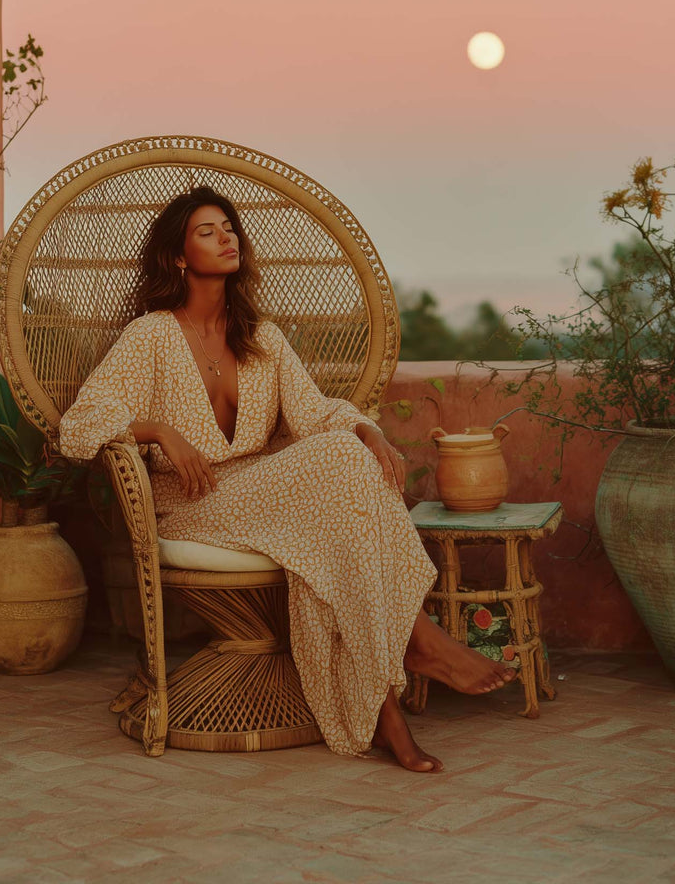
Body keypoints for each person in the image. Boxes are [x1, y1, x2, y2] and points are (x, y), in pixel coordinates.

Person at [58, 186, 515, 772]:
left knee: (345, 460)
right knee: (336, 475)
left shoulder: (262, 337)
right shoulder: (150, 336)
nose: (227, 238)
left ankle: (390, 695)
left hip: (264, 496)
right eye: (207, 231)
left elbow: (315, 412)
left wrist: (364, 430)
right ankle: (414, 646)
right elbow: (78, 428)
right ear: (177, 255)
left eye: (229, 227)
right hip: (193, 505)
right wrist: (156, 431)